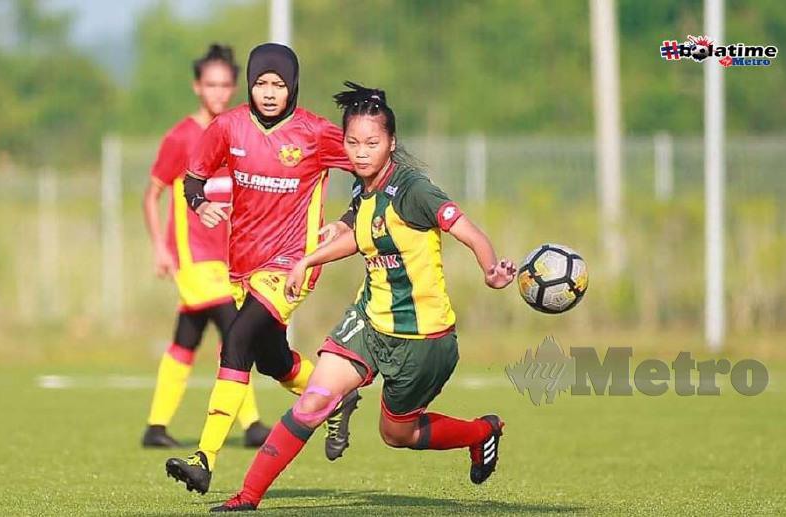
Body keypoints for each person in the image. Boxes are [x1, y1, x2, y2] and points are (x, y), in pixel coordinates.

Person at [210, 82, 515, 512]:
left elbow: (466, 229)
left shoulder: (413, 190)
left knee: (397, 435)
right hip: (369, 322)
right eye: (352, 142)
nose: (360, 152)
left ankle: (481, 433)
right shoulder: (361, 187)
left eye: (372, 142)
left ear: (391, 143)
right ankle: (246, 497)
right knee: (315, 400)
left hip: (422, 340)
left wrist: (490, 268)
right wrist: (306, 260)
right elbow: (356, 236)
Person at [165, 43, 361, 495]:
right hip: (243, 267)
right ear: (250, 86)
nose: (269, 92)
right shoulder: (228, 126)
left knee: (234, 341)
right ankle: (337, 397)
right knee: (273, 360)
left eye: (278, 84)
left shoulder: (315, 132)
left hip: (293, 265)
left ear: (292, 86)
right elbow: (192, 176)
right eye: (260, 83)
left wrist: (348, 222)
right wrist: (200, 203)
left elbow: (369, 170)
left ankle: (204, 457)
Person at [141, 44, 270, 449]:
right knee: (235, 329)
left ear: (234, 88)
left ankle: (155, 427)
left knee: (186, 337)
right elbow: (152, 194)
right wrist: (159, 249)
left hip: (229, 259)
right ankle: (251, 424)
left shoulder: (237, 133)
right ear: (197, 87)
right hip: (194, 257)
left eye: (225, 85)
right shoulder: (182, 137)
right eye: (210, 84)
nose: (218, 92)